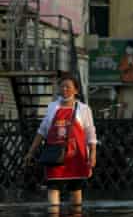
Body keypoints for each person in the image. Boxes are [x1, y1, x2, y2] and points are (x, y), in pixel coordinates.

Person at [24, 75, 98, 208]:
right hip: (55, 154)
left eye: (68, 87)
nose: (64, 89)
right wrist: (31, 152)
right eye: (62, 86)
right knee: (53, 186)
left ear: (76, 90)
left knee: (75, 189)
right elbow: (42, 131)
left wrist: (92, 155)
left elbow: (90, 133)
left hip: (77, 155)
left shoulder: (83, 109)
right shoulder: (53, 107)